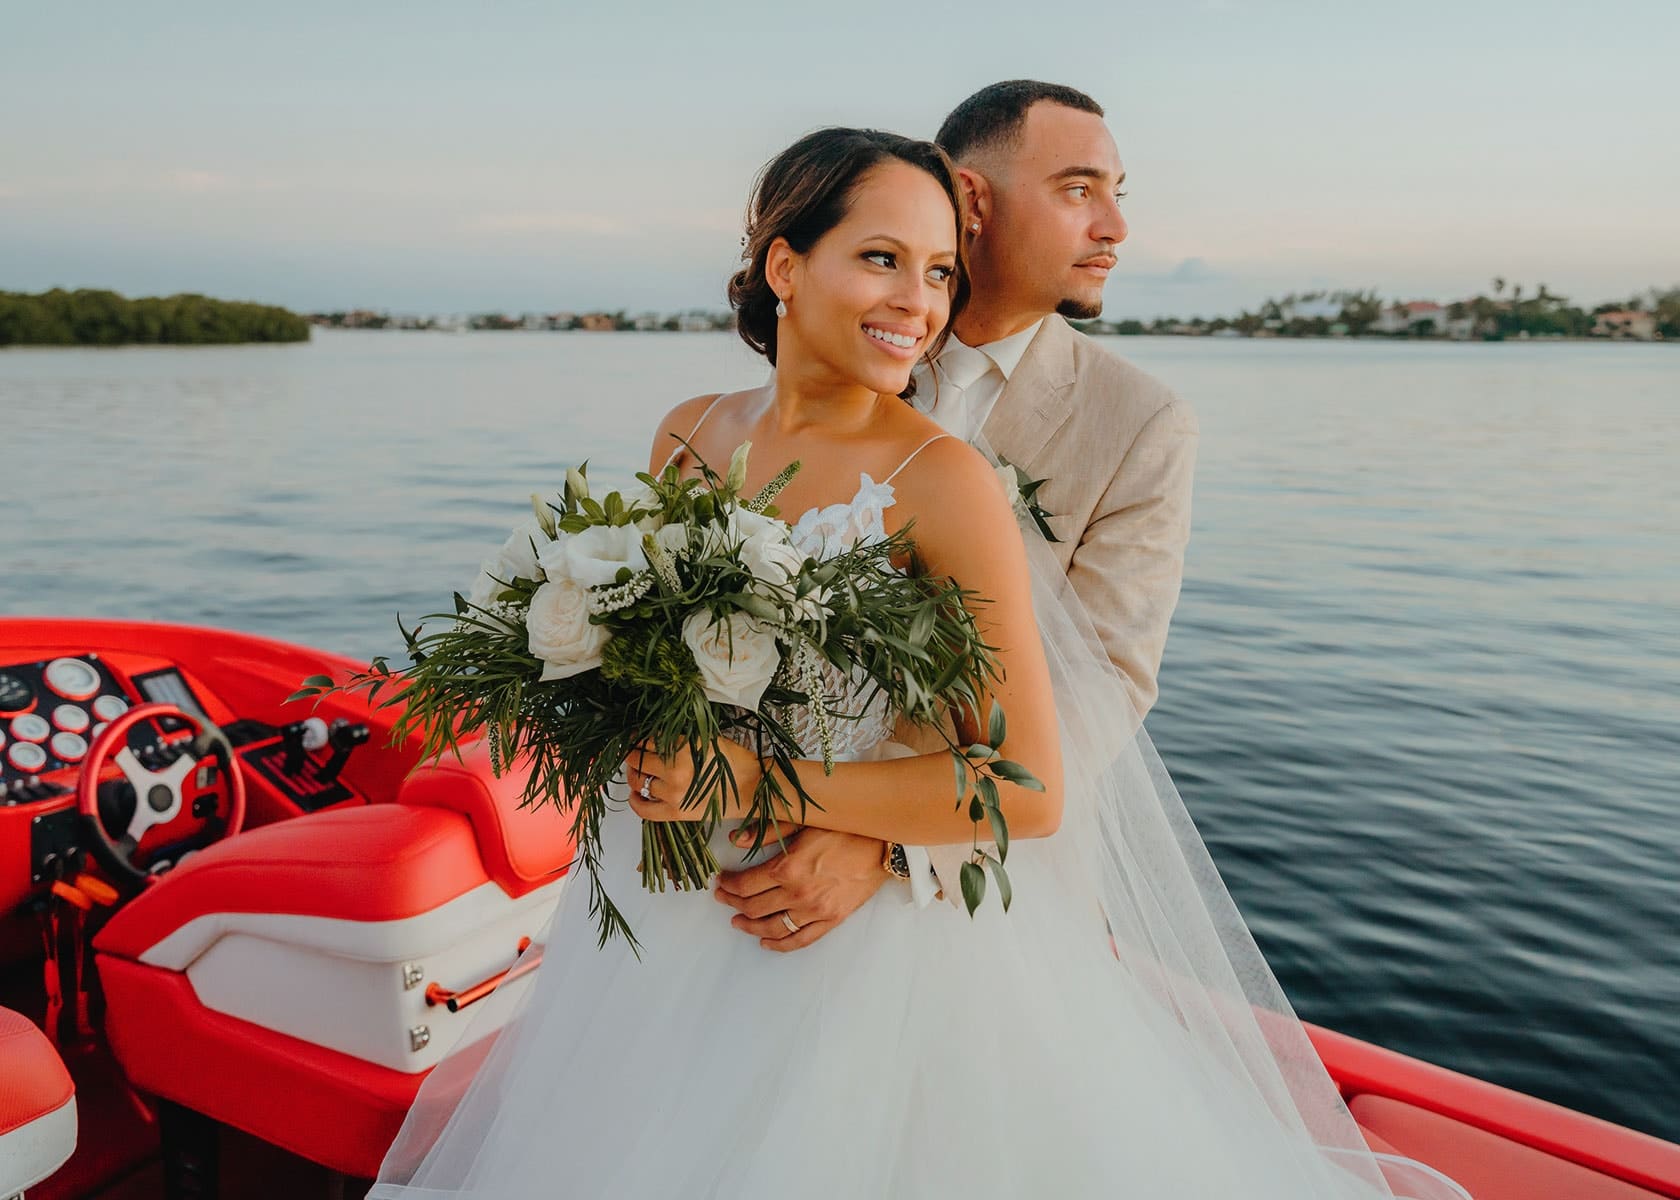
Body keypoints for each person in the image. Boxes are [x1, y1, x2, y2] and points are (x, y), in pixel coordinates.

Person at [370, 127, 1468, 1199]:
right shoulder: (691, 431)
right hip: (668, 904)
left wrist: (772, 789)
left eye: (939, 272)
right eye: (883, 259)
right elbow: (666, 652)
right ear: (785, 265)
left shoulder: (946, 480)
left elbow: (1025, 785)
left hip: (877, 955)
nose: (918, 301)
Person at [714, 80, 1200, 943]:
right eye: (1079, 190)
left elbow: (1106, 685)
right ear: (972, 199)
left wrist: (894, 842)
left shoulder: (1139, 423)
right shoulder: (841, 346)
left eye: (1117, 197)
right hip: (743, 850)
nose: (1114, 228)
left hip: (970, 885)